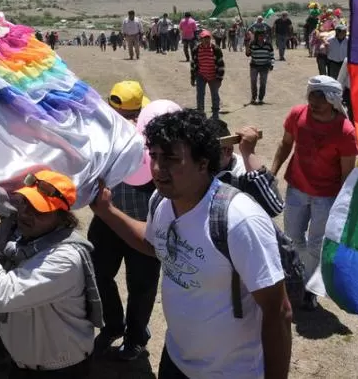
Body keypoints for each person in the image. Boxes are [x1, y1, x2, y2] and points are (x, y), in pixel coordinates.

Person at [92, 110, 292, 379]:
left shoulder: (238, 219)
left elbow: (278, 311)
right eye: (155, 156)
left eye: (172, 159)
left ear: (202, 163)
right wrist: (107, 212)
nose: (158, 169)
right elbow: (154, 243)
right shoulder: (161, 202)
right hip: (175, 361)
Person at [0, 171, 100, 378]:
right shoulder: (14, 235)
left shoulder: (65, 258)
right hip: (20, 365)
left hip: (61, 371)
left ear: (62, 218)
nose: (25, 214)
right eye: (24, 203)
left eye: (38, 211)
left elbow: (0, 296)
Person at [271, 76, 358, 311]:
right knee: (292, 238)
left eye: (320, 99)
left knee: (316, 245)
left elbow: (347, 173)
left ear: (332, 101)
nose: (314, 103)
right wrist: (272, 172)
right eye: (311, 97)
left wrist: (343, 206)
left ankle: (309, 288)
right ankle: (298, 278)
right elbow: (285, 144)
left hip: (326, 196)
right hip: (297, 189)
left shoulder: (346, 131)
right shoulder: (297, 114)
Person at [90, 82, 161, 362]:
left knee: (141, 285)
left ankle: (135, 336)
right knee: (98, 275)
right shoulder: (100, 133)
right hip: (107, 218)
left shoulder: (154, 133)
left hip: (144, 222)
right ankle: (114, 325)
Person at [190, 30, 225, 120]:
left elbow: (221, 64)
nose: (206, 40)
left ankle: (215, 113)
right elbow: (193, 64)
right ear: (200, 39)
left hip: (213, 76)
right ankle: (201, 113)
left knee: (215, 95)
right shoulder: (196, 49)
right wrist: (193, 77)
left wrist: (219, 79)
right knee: (200, 94)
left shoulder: (216, 49)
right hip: (201, 75)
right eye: (204, 38)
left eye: (208, 38)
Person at [246, 28, 275, 105]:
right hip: (254, 66)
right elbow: (248, 54)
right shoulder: (252, 44)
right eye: (260, 36)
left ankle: (261, 98)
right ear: (257, 36)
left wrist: (272, 64)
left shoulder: (268, 45)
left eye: (263, 35)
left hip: (265, 67)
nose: (261, 37)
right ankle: (254, 97)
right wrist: (247, 46)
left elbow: (272, 56)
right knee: (253, 82)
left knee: (263, 83)